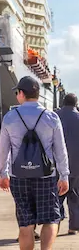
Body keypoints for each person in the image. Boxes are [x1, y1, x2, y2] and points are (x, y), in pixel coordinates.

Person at [0, 76, 69, 250]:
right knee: (51, 218)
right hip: (46, 175)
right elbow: (60, 149)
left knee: (25, 224)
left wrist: (2, 173)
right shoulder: (51, 117)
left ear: (21, 93)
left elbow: (3, 149)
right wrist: (64, 175)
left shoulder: (10, 117)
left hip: (19, 176)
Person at [56, 92, 79, 235]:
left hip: (57, 164)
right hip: (77, 164)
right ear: (75, 104)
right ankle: (73, 226)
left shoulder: (54, 116)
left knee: (56, 195)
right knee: (75, 195)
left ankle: (54, 223)